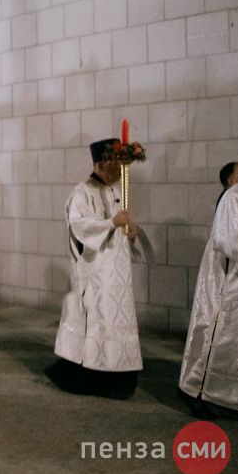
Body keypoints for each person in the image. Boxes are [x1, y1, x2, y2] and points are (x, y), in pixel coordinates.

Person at [46, 138, 144, 400]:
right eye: (114, 165)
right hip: (96, 272)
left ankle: (120, 377)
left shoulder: (115, 190)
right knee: (98, 322)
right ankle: (94, 378)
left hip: (118, 273)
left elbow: (121, 226)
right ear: (100, 165)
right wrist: (112, 222)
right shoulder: (82, 192)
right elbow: (80, 227)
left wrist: (130, 232)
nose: (119, 170)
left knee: (117, 322)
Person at [179, 144, 238, 418]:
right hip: (232, 282)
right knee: (223, 336)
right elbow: (230, 241)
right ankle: (206, 392)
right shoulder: (233, 197)